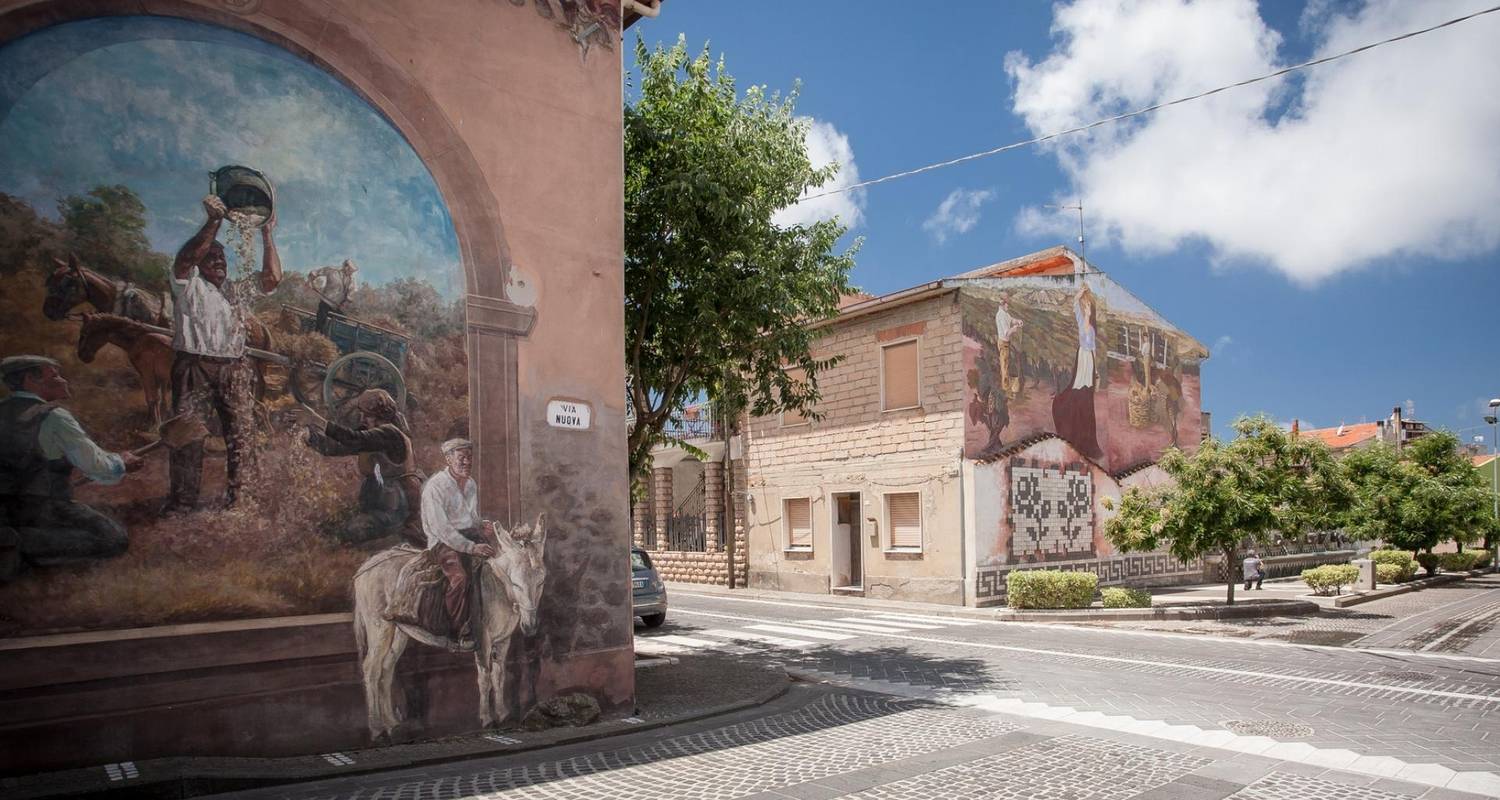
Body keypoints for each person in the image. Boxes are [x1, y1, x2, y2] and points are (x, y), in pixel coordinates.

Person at [161, 194, 282, 513]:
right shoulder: (187, 285)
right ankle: (183, 502)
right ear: (200, 262)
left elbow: (271, 279)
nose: (219, 261)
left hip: (234, 368)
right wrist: (214, 221)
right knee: (188, 436)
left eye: (223, 258)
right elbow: (186, 258)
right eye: (211, 257)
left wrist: (267, 235)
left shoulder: (235, 291)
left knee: (241, 433)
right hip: (194, 366)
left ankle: (241, 497)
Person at [0, 356, 144, 581]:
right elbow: (97, 466)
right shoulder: (54, 416)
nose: (63, 380)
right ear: (30, 379)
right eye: (55, 375)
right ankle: (21, 544)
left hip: (4, 508)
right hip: (43, 508)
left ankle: (14, 540)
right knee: (113, 539)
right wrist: (122, 463)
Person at [297, 389, 424, 546]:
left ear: (379, 414)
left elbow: (353, 439)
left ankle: (397, 533)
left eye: (366, 414)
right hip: (377, 504)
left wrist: (318, 421)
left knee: (343, 533)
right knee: (326, 528)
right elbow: (338, 447)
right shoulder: (372, 435)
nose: (362, 418)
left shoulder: (389, 434)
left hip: (393, 509)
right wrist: (311, 437)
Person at [420, 439, 498, 639]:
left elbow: (469, 517)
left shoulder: (470, 484)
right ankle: (457, 630)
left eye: (469, 457)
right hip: (442, 542)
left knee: (498, 567)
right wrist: (472, 548)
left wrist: (481, 524)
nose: (467, 462)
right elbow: (442, 529)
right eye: (461, 458)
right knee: (460, 578)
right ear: (448, 459)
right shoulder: (435, 487)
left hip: (468, 536)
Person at [308, 259, 358, 332]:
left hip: (336, 306)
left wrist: (344, 304)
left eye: (353, 271)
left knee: (342, 321)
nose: (352, 273)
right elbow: (314, 273)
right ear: (346, 267)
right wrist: (310, 282)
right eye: (351, 270)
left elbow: (350, 295)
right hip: (325, 303)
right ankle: (317, 336)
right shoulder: (332, 270)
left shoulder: (351, 280)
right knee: (321, 322)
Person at [993, 296, 1023, 398]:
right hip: (1003, 343)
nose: (1008, 307)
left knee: (1007, 364)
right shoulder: (1000, 316)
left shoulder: (1005, 314)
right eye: (1007, 305)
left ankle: (1009, 387)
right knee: (1004, 366)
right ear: (1002, 305)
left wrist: (1017, 321)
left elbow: (1011, 320)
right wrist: (1014, 329)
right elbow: (1006, 333)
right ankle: (1006, 390)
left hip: (1006, 344)